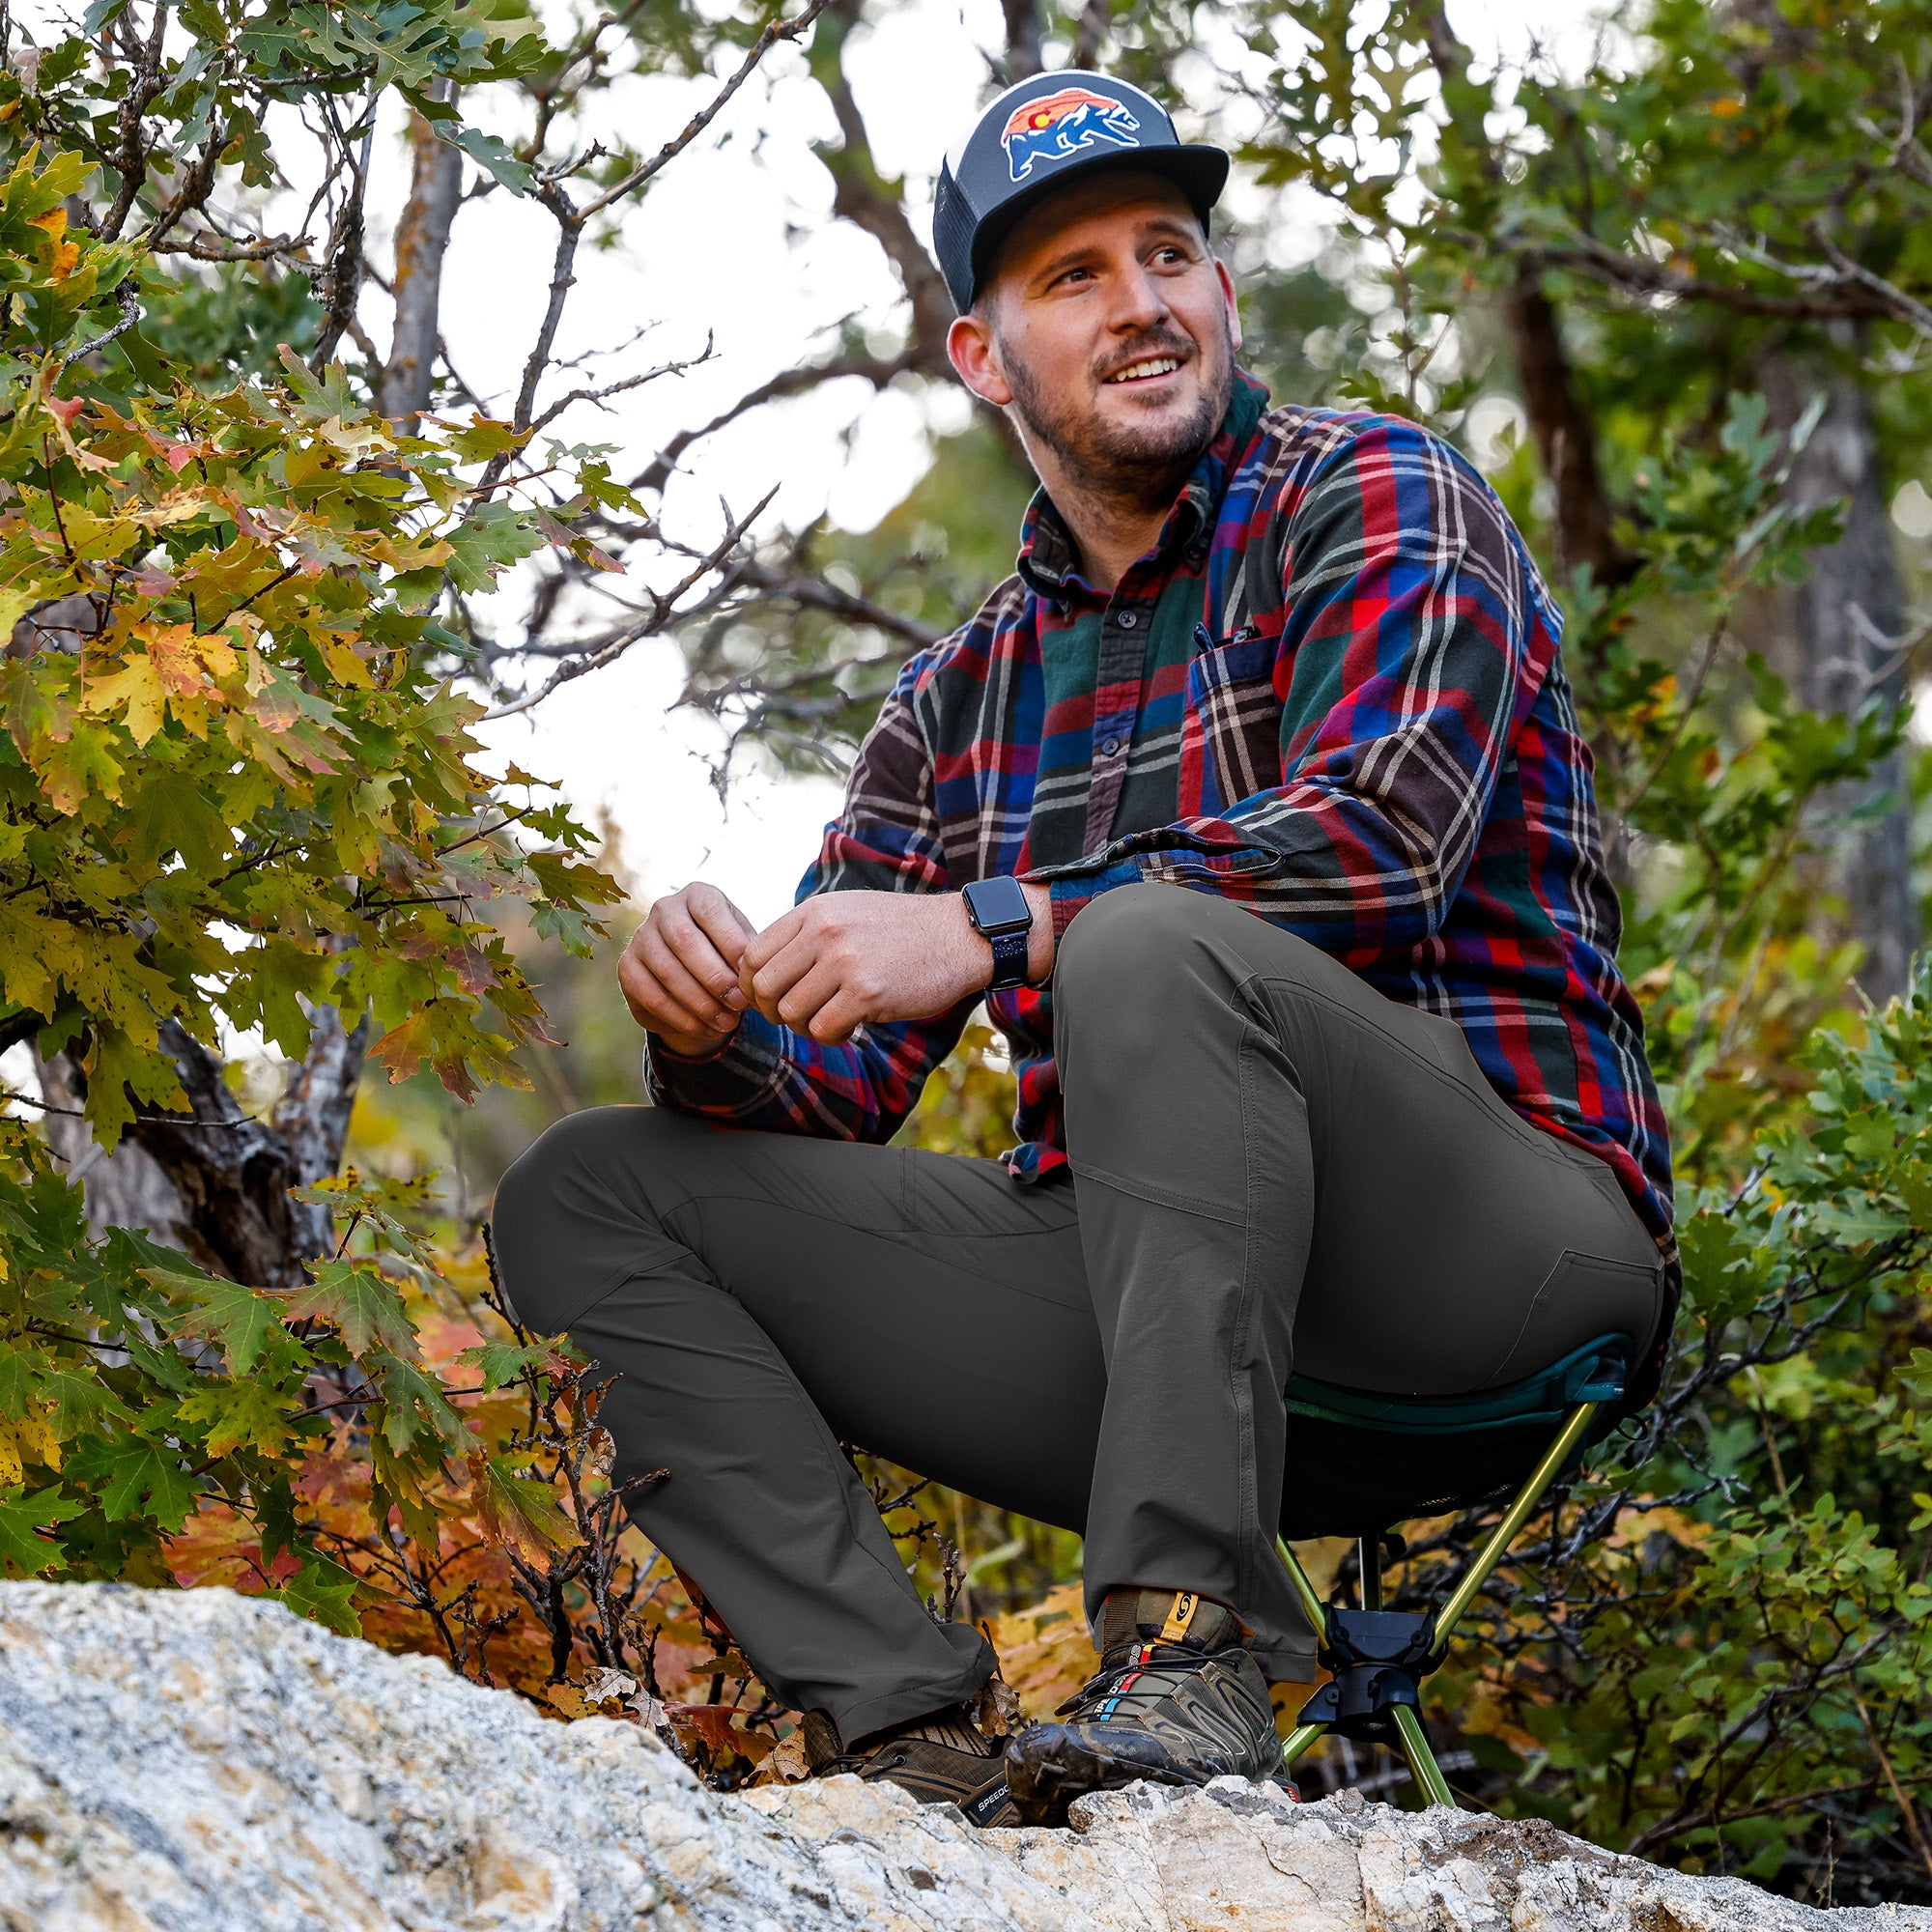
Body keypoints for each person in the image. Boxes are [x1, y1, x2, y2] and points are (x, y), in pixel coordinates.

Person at [490, 71, 1676, 1830]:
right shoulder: (957, 697)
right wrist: (714, 1022)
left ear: (1219, 287)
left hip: (1496, 1251)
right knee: (590, 1190)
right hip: (1163, 1319)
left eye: (1169, 253)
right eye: (1074, 277)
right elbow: (828, 1094)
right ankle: (915, 1747)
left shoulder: (1380, 491)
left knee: (1141, 947)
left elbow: (1389, 840)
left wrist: (999, 923)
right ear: (981, 357)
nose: (1142, 304)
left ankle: (1191, 1651)